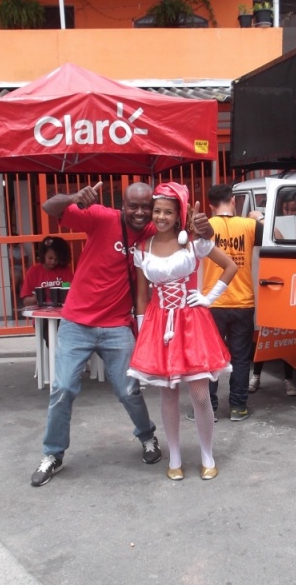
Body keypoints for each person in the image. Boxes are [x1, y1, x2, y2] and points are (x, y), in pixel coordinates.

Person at [31, 181, 214, 487]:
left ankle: (148, 437)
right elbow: (50, 207)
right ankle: (53, 454)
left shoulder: (155, 233)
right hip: (77, 321)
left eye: (148, 207)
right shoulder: (100, 217)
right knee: (62, 388)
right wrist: (74, 198)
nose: (142, 213)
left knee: (129, 391)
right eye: (134, 206)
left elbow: (197, 242)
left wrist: (203, 228)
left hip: (117, 325)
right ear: (122, 205)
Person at [127, 183, 237, 481]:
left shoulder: (194, 243)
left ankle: (207, 454)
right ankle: (174, 456)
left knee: (200, 396)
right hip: (158, 324)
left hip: (193, 323)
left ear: (178, 216)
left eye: (168, 212)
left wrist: (208, 298)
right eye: (157, 211)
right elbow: (141, 296)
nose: (160, 217)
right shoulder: (142, 248)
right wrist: (141, 333)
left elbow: (229, 266)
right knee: (168, 394)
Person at [194, 184, 263, 422]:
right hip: (243, 301)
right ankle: (238, 407)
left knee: (210, 357)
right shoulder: (250, 225)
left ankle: (209, 408)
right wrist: (258, 216)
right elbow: (277, 238)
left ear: (210, 205)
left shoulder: (205, 227)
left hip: (211, 301)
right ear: (233, 201)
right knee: (241, 357)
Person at [20, 236, 74, 307]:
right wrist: (37, 297)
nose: (53, 262)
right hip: (40, 315)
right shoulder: (33, 271)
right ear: (43, 255)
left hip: (61, 313)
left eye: (57, 259)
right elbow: (26, 302)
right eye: (50, 258)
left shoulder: (65, 270)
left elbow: (74, 293)